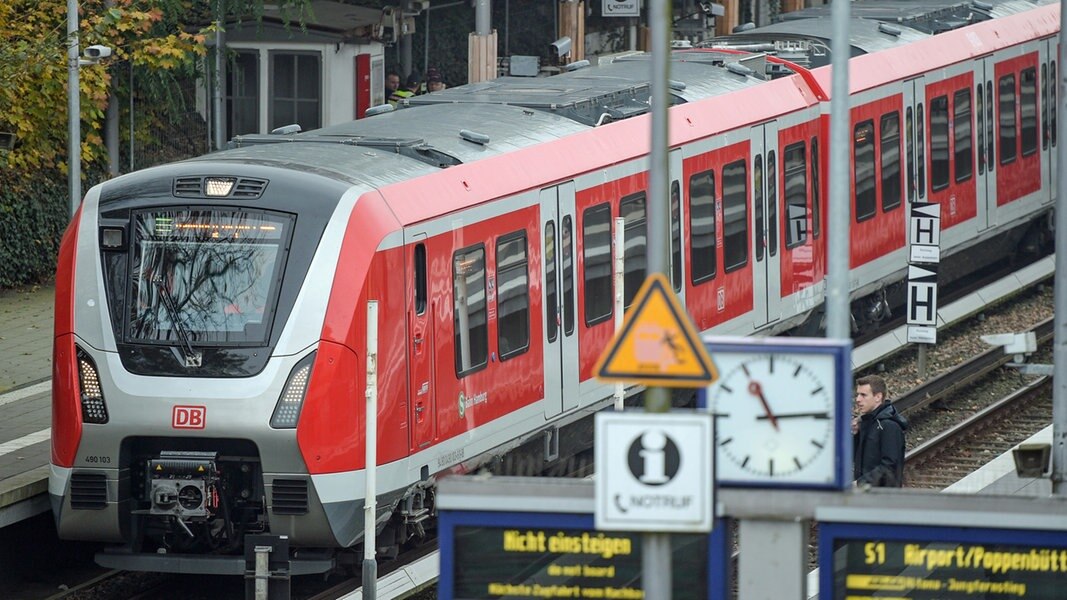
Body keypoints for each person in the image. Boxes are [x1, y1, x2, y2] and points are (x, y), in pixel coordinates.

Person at [852, 374, 908, 487]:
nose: (858, 399)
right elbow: (854, 459)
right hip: (865, 496)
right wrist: (854, 435)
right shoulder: (866, 423)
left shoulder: (889, 426)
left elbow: (889, 467)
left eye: (863, 395)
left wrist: (860, 483)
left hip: (883, 498)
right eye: (857, 394)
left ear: (878, 397)